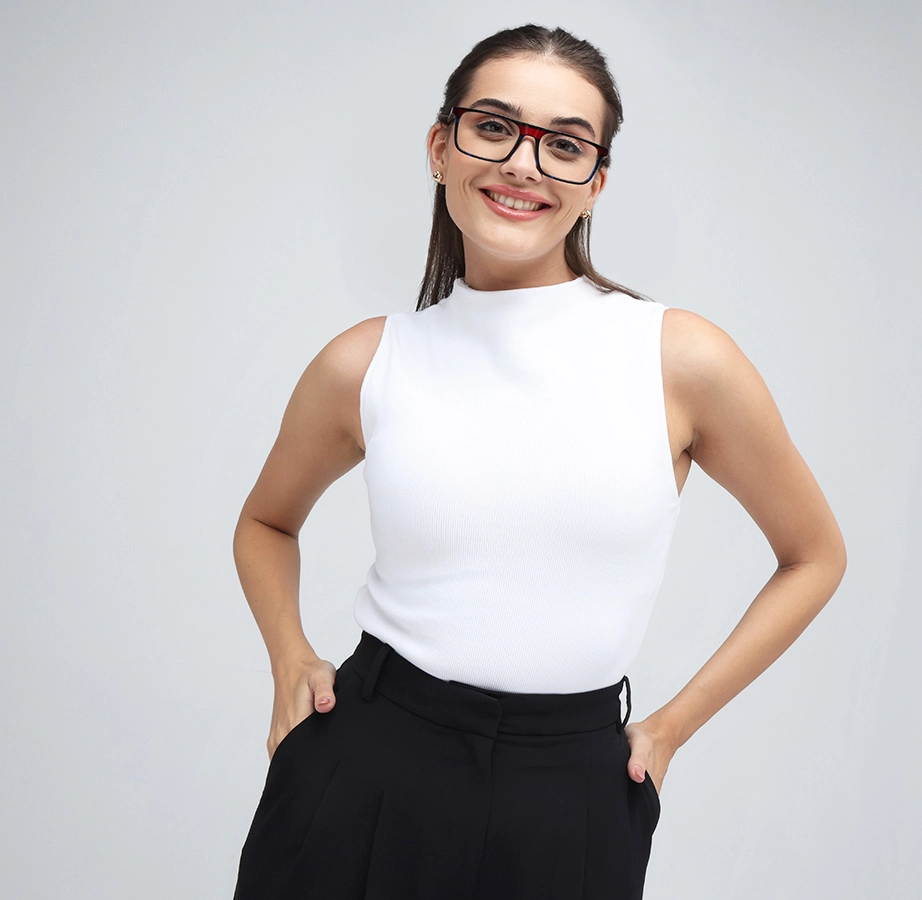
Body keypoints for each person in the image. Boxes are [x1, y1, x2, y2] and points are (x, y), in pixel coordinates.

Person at [230, 23, 846, 900]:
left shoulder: (680, 360)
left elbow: (815, 556)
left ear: (595, 183)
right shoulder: (365, 363)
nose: (523, 164)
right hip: (363, 766)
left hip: (570, 800)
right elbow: (265, 522)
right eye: (493, 127)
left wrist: (671, 727)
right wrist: (289, 656)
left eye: (563, 145)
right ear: (440, 148)